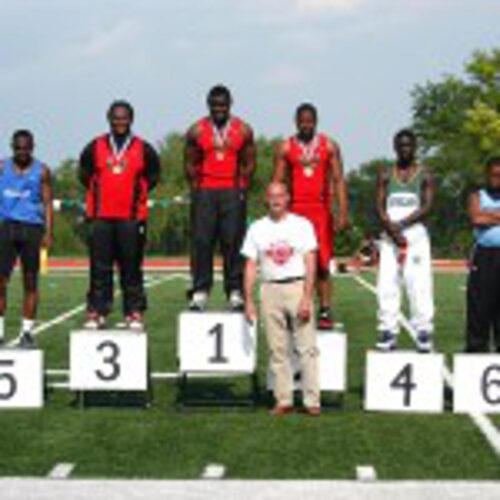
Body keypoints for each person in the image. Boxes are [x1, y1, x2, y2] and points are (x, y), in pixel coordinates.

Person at [78, 100, 161, 330]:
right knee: (99, 268)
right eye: (116, 118)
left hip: (130, 218)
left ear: (131, 120)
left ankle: (133, 312)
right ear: (109, 119)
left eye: (124, 118)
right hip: (101, 217)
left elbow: (153, 177)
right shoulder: (95, 146)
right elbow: (84, 175)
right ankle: (97, 312)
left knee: (131, 267)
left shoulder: (143, 148)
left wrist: (135, 195)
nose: (120, 122)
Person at [242, 182, 321, 416]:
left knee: (306, 348)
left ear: (288, 198)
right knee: (277, 349)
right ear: (266, 199)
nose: (276, 200)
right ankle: (283, 399)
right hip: (269, 289)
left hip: (296, 286)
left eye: (280, 195)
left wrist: (307, 296)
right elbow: (250, 264)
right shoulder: (257, 227)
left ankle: (311, 400)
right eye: (271, 196)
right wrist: (248, 299)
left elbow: (310, 261)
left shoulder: (301, 225)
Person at [273, 103, 349, 330]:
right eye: (302, 121)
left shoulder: (329, 145)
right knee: (293, 264)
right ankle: (294, 307)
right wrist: (277, 211)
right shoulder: (286, 147)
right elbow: (278, 181)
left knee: (323, 264)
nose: (306, 125)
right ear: (296, 122)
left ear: (316, 121)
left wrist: (342, 211)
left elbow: (338, 180)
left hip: (320, 211)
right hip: (295, 211)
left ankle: (325, 309)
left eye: (310, 121)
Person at [184, 85, 256, 312]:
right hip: (205, 191)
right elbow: (189, 162)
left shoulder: (243, 130)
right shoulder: (196, 130)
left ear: (230, 104)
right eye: (215, 105)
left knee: (233, 241)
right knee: (202, 242)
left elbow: (250, 161)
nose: (219, 109)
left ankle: (235, 291)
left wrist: (242, 186)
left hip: (232, 192)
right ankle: (200, 291)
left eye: (223, 105)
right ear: (208, 105)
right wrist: (197, 188)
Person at [375, 129, 435, 352]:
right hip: (390, 237)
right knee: (386, 283)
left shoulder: (425, 174)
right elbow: (379, 205)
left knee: (418, 284)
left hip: (415, 236)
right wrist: (390, 227)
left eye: (409, 145)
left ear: (415, 147)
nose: (405, 149)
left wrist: (402, 225)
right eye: (401, 145)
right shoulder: (385, 173)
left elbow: (427, 206)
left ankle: (423, 330)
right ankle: (388, 330)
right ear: (395, 147)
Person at [0, 130, 53, 348]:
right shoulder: (2, 167)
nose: (22, 152)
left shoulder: (42, 171)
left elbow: (48, 203)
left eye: (26, 148)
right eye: (18, 148)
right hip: (6, 227)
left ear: (33, 147)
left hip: (32, 229)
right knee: (1, 282)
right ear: (12, 147)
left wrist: (49, 233)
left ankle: (27, 333)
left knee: (30, 283)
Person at [466, 157, 500, 352]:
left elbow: (483, 216)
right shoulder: (477, 195)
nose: (498, 179)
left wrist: (490, 215)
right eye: (494, 175)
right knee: (480, 307)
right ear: (487, 175)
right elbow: (476, 218)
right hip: (485, 257)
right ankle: (476, 351)